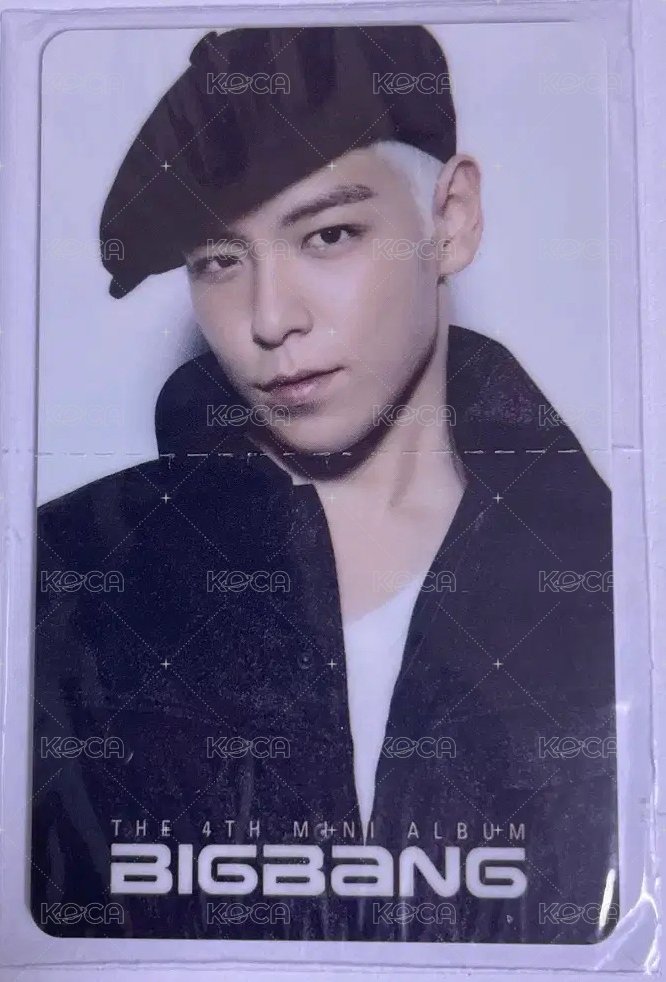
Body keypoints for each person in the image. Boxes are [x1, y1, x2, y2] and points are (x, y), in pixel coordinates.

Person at [31, 25, 617, 943]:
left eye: (330, 234)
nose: (269, 318)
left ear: (451, 220)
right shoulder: (67, 578)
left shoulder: (615, 573)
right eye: (219, 260)